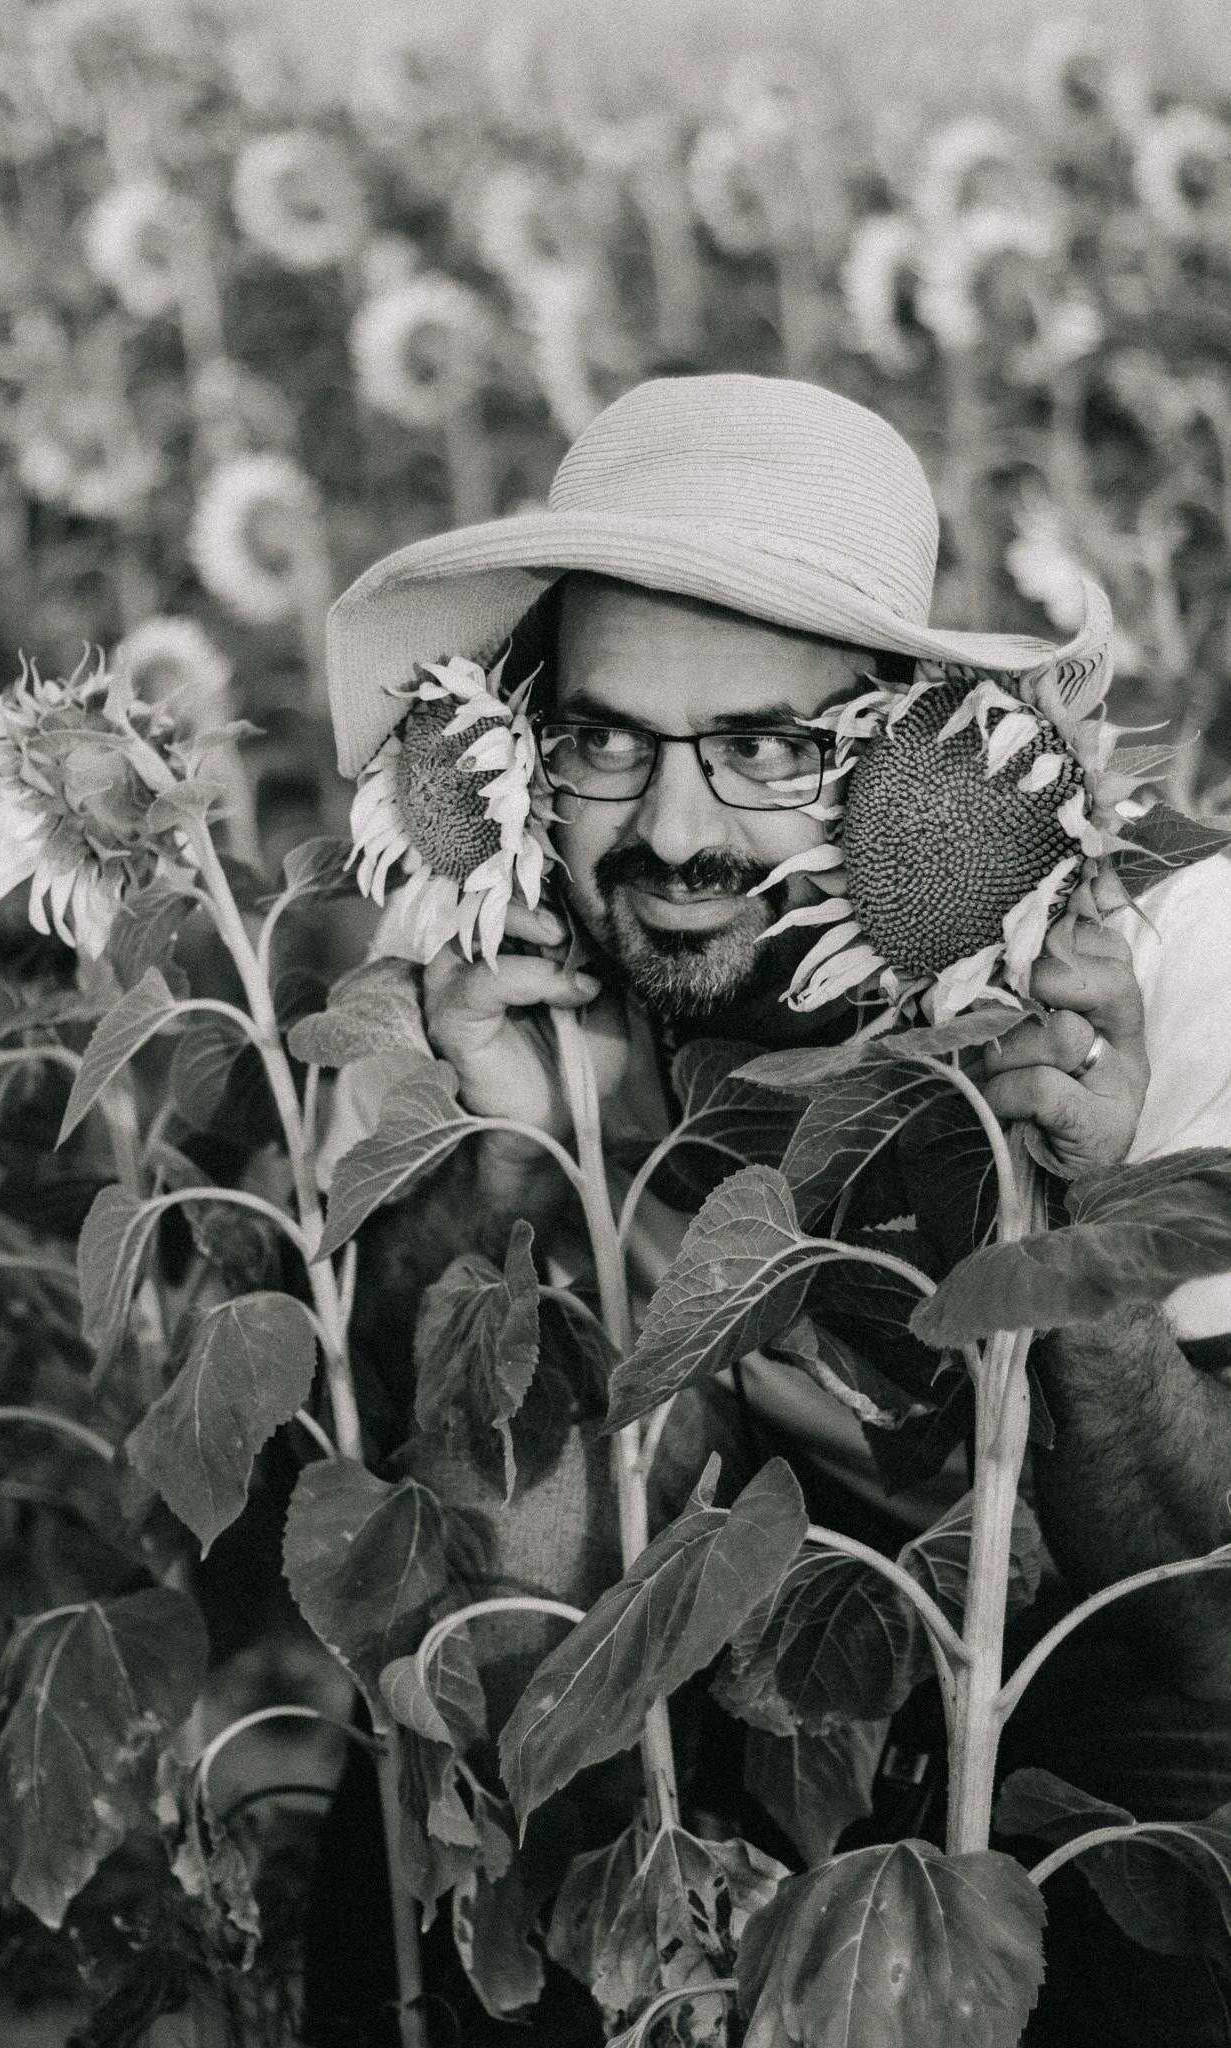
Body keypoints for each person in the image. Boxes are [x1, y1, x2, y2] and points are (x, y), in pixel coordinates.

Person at [326, 375, 1231, 2042]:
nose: (674, 831)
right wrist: (504, 1174)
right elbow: (501, 1627)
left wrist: (1086, 1232)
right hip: (730, 1650)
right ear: (527, 747)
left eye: (767, 747)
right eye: (602, 740)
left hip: (1077, 1683)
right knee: (424, 1835)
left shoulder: (1166, 958)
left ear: (913, 746)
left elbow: (1212, 1638)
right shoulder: (477, 956)